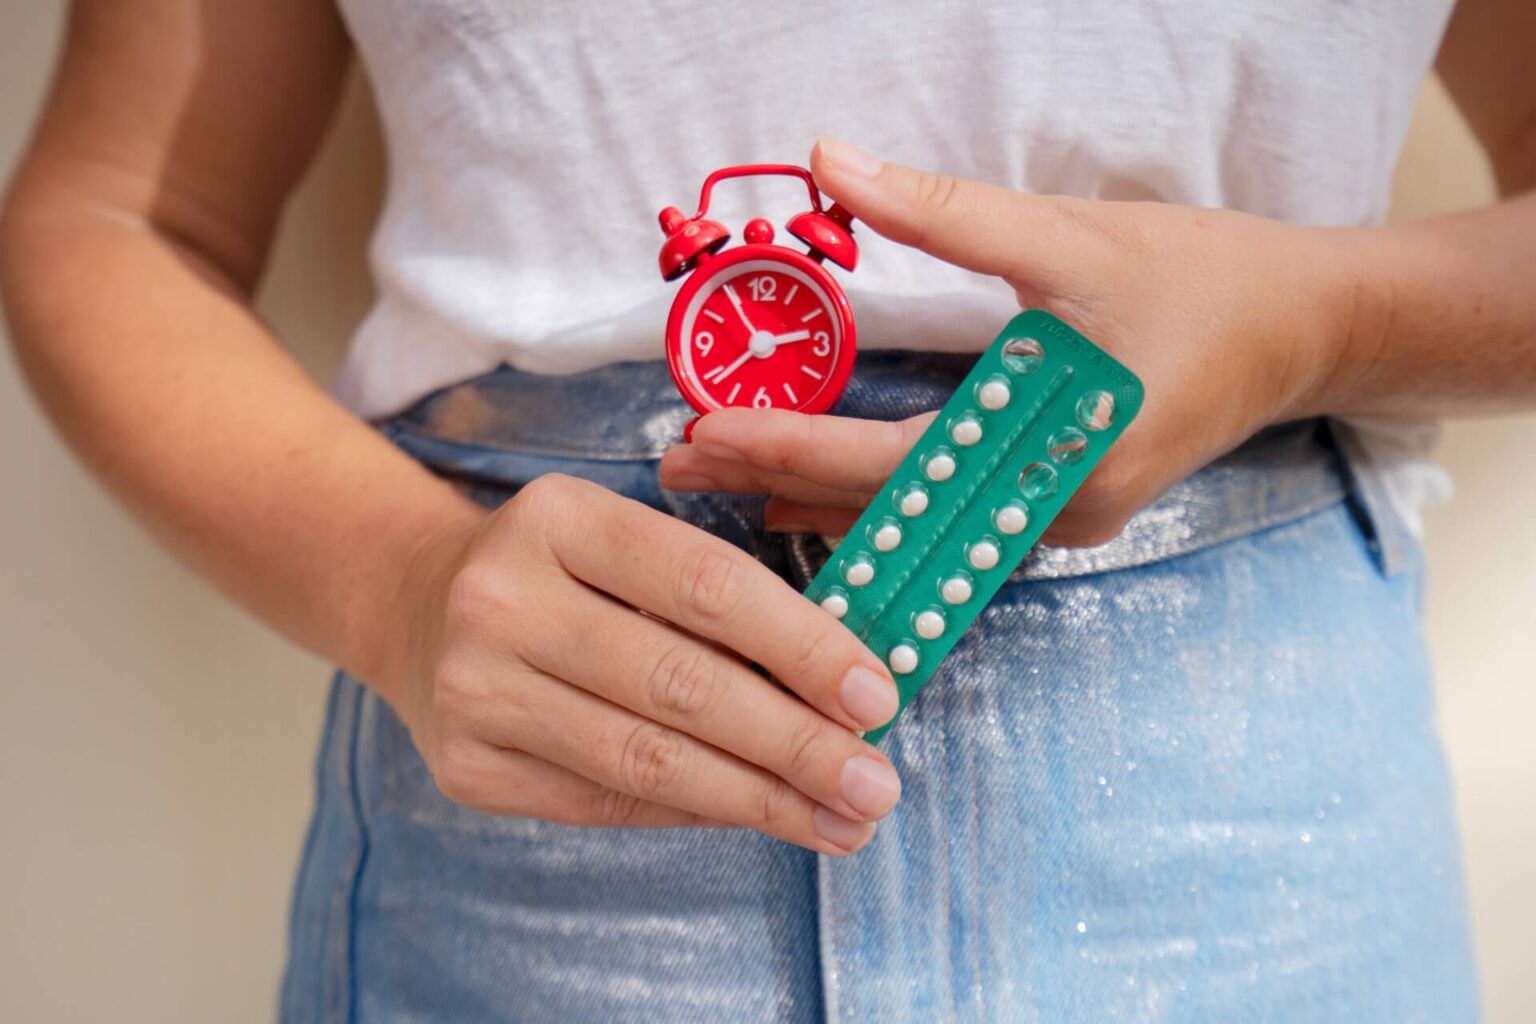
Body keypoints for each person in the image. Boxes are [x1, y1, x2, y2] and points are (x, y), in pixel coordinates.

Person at [3, 1, 1531, 1020]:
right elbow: (124, 209)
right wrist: (401, 582)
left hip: (1252, 805)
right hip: (547, 791)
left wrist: (1313, 323)